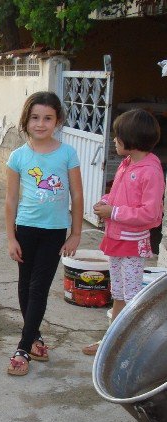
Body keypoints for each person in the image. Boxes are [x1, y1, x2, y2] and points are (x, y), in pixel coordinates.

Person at [5, 91, 83, 376]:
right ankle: (35, 338)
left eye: (47, 118)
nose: (41, 124)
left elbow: (76, 194)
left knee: (38, 288)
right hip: (25, 229)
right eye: (35, 118)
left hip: (54, 232)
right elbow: (11, 199)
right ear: (26, 120)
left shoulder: (67, 154)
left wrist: (75, 234)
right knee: (25, 286)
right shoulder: (18, 157)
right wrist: (11, 237)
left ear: (57, 120)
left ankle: (23, 348)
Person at [82, 109, 164, 356]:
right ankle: (111, 341)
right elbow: (119, 195)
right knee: (118, 293)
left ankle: (131, 348)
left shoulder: (150, 171)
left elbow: (151, 215)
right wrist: (105, 202)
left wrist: (113, 212)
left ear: (132, 140)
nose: (114, 141)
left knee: (132, 298)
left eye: (118, 136)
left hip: (132, 244)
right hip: (116, 240)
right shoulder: (128, 164)